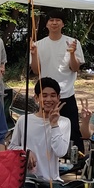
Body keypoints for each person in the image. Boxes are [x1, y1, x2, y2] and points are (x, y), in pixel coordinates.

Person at [9, 78, 77, 188]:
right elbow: (11, 147)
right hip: (28, 180)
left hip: (52, 181)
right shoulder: (24, 120)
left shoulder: (64, 122)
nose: (48, 99)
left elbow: (61, 151)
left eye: (53, 95)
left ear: (58, 98)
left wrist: (54, 125)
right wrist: (26, 151)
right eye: (44, 95)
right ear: (36, 98)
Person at [30, 9, 83, 145]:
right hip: (46, 96)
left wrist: (72, 53)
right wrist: (34, 54)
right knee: (45, 130)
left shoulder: (73, 43)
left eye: (58, 20)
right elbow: (36, 70)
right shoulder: (38, 45)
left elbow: (75, 68)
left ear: (63, 24)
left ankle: (75, 156)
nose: (54, 23)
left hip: (66, 94)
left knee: (72, 131)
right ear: (46, 24)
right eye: (51, 20)